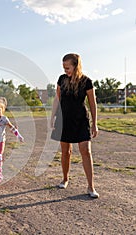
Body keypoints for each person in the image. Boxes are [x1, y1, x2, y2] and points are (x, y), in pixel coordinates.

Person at [50, 53, 99, 198]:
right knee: (66, 152)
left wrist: (94, 123)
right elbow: (57, 99)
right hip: (63, 120)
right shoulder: (61, 79)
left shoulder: (87, 81)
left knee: (86, 151)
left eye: (68, 67)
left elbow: (92, 103)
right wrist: (52, 117)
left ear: (76, 66)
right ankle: (65, 179)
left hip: (81, 120)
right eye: (63, 68)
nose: (65, 70)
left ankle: (91, 187)